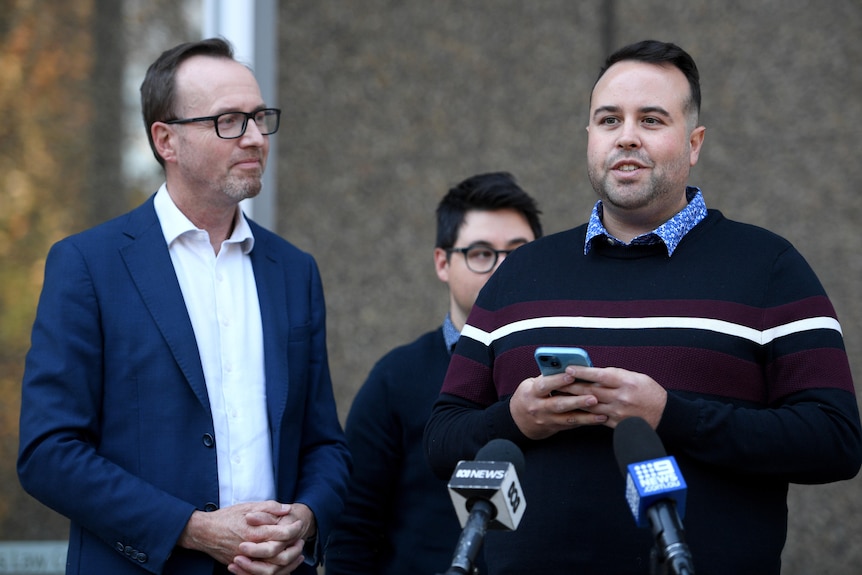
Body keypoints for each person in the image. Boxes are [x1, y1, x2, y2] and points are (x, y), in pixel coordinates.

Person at [423, 40, 862, 575]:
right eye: (609, 119)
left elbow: (834, 440)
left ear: (694, 142)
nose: (626, 136)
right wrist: (517, 418)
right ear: (589, 137)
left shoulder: (769, 267)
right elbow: (442, 437)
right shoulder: (518, 274)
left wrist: (670, 416)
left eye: (651, 119)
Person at [17, 38, 350, 575]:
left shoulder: (294, 271)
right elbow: (48, 454)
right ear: (166, 140)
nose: (256, 137)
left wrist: (305, 520)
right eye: (229, 121)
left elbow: (324, 445)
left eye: (261, 117)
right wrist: (193, 530)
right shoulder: (88, 265)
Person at [325, 173, 543, 575]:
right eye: (480, 253)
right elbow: (352, 532)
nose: (501, 271)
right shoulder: (396, 378)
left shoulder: (559, 379)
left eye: (518, 253)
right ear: (443, 262)